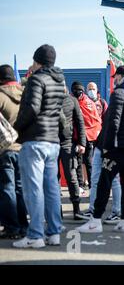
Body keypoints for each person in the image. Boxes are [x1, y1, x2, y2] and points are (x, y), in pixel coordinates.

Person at [77, 66, 124, 234]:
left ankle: (95, 221)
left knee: (104, 182)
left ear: (121, 77)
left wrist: (107, 147)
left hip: (117, 146)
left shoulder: (119, 93)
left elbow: (114, 122)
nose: (115, 80)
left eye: (116, 77)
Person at [13, 44, 66, 248]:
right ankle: (54, 232)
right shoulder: (59, 81)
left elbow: (33, 108)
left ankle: (35, 236)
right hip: (52, 141)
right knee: (51, 188)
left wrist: (17, 128)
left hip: (34, 140)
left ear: (37, 61)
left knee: (33, 189)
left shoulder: (36, 79)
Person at [0, 65, 28, 239]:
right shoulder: (26, 93)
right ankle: (24, 224)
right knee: (21, 188)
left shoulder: (1, 95)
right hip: (25, 148)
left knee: (6, 189)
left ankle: (12, 227)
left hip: (6, 149)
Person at [59, 87, 86, 220]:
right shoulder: (46, 99)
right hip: (50, 142)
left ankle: (76, 209)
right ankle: (57, 212)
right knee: (52, 178)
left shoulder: (72, 100)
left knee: (71, 176)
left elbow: (80, 122)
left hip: (67, 143)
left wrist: (82, 143)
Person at [72, 81, 102, 189]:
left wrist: (95, 133)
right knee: (78, 162)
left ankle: (92, 185)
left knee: (88, 162)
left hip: (88, 137)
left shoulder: (89, 103)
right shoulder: (71, 101)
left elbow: (95, 120)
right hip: (75, 136)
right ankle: (80, 184)